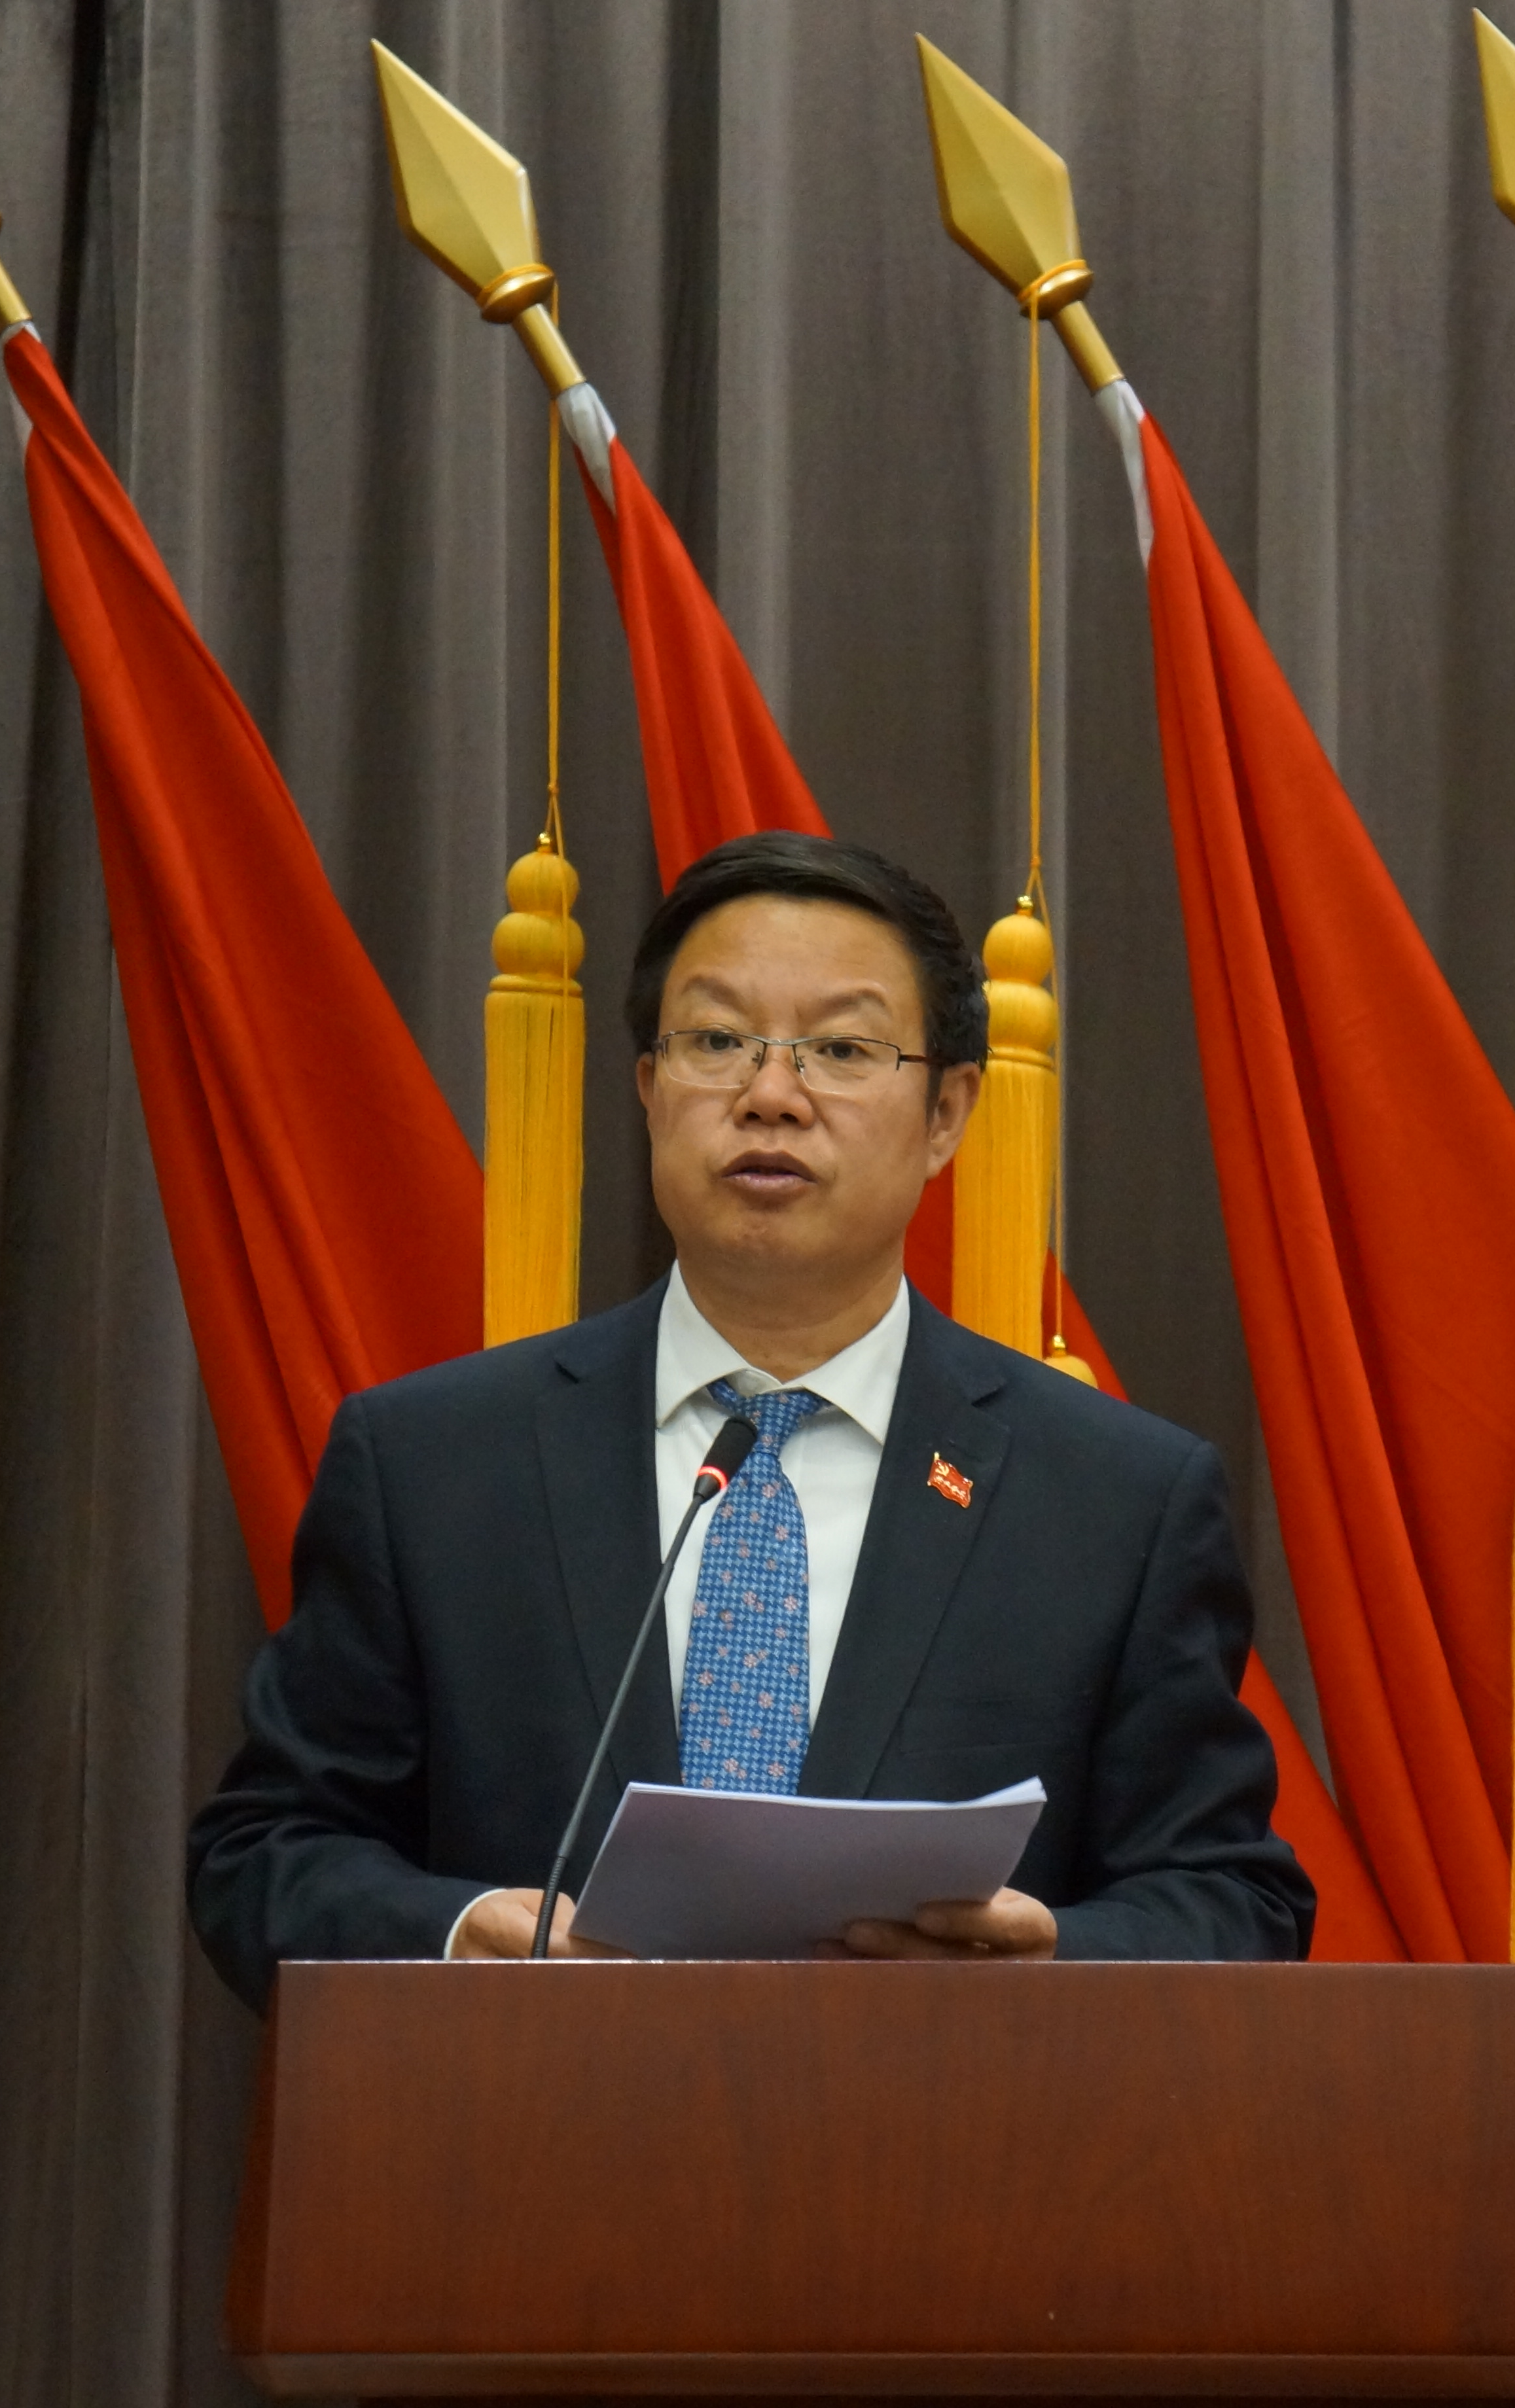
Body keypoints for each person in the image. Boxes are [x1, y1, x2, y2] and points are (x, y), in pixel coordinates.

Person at [187, 830, 1313, 1998]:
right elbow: (263, 1855)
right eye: (717, 1041)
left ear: (947, 1113)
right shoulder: (433, 1466)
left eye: (842, 1050)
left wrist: (1052, 1962)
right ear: (648, 1088)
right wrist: (462, 1932)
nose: (771, 1097)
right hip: (534, 2110)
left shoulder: (1115, 1501)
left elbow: (1233, 1898)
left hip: (946, 2114)